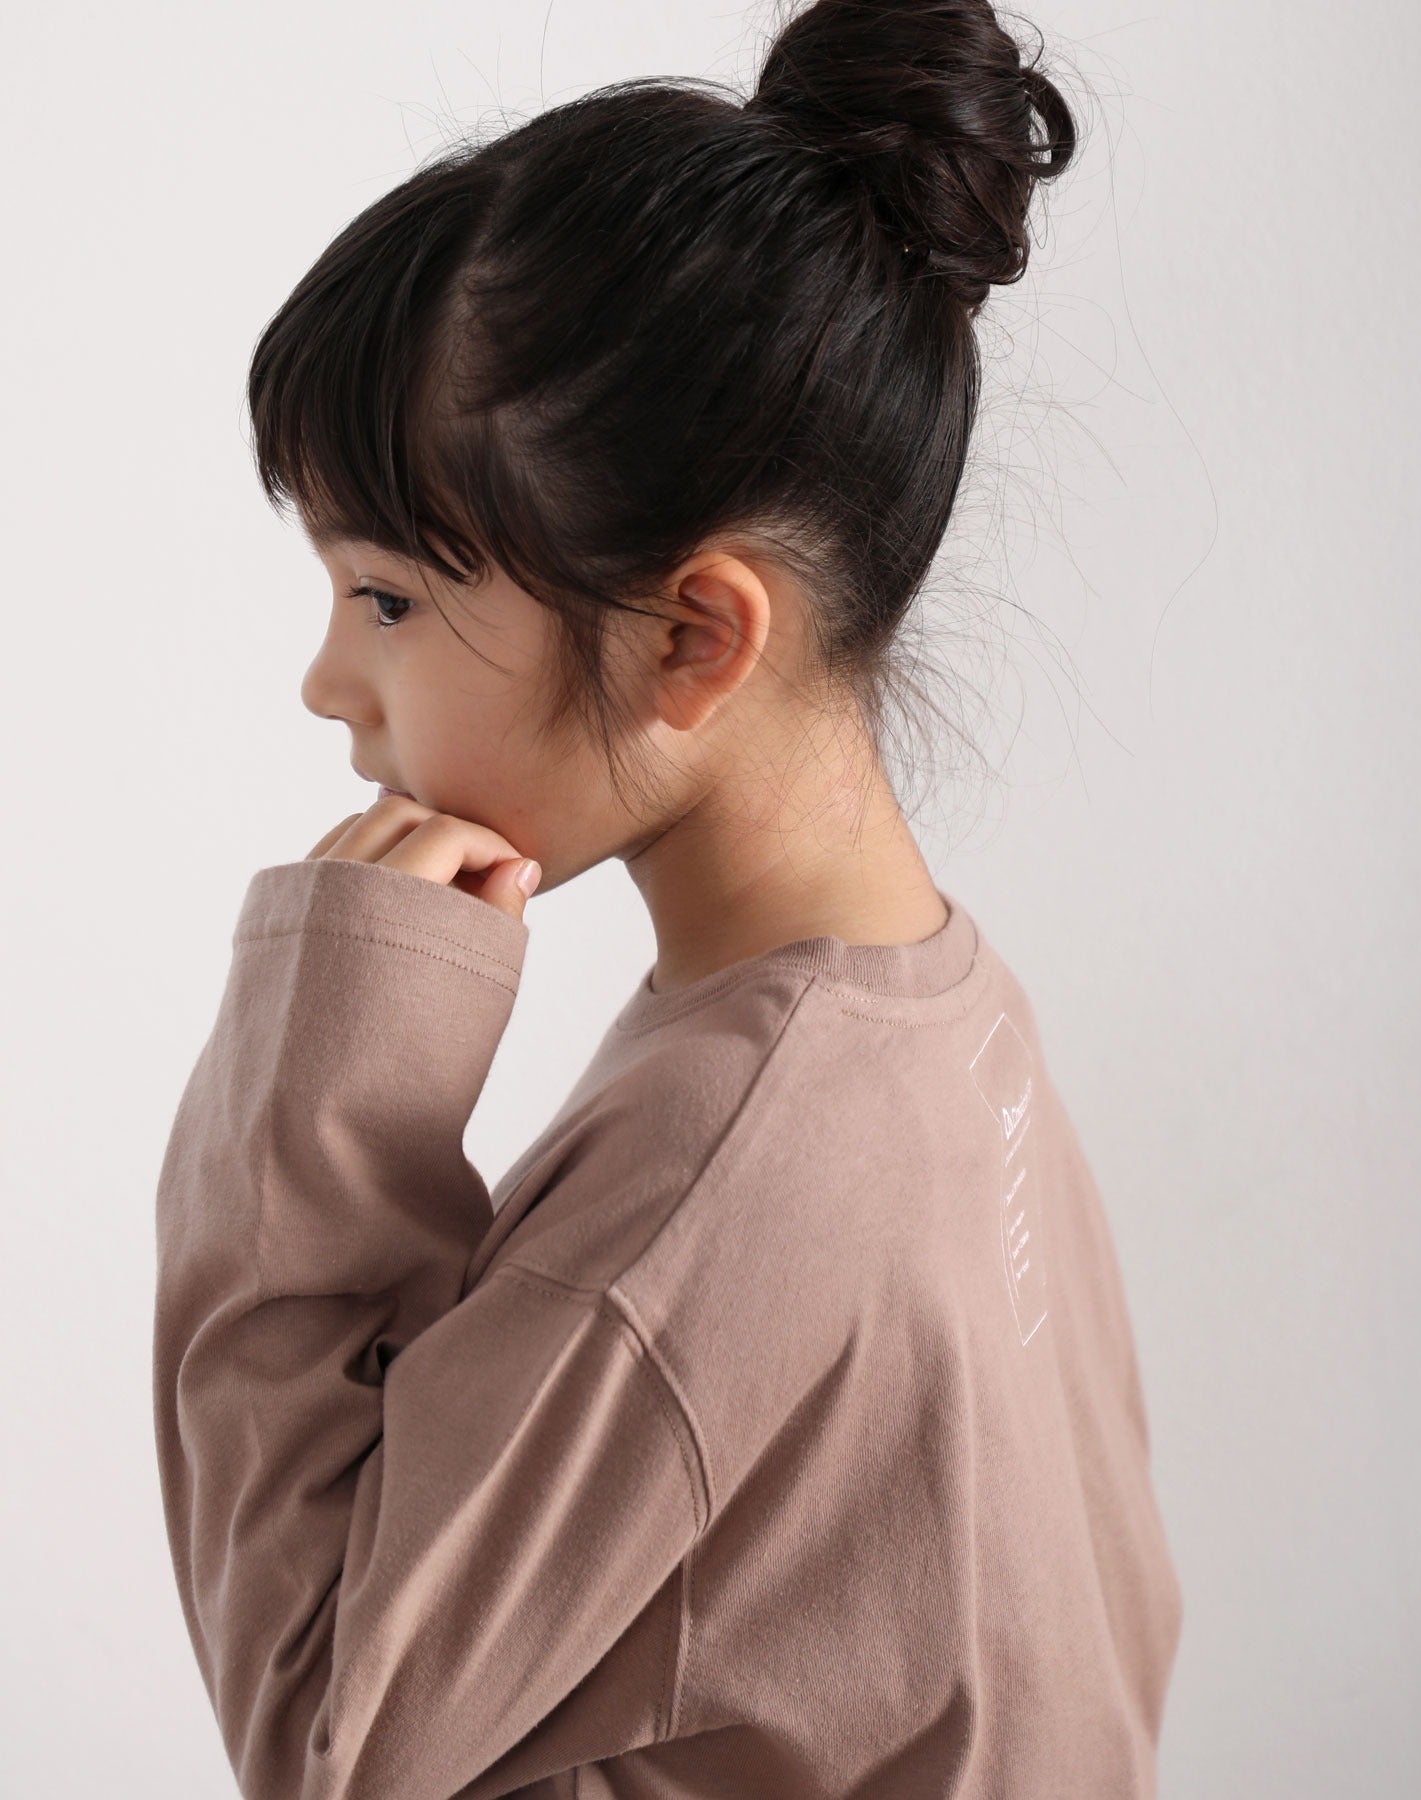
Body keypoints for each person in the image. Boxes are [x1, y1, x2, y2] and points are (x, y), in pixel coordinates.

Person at [152, 1, 1184, 1794]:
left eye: (385, 599)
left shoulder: (719, 1181)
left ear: (692, 636)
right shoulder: (944, 1018)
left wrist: (318, 1108)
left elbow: (327, 1750)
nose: (328, 682)